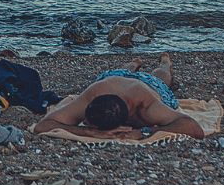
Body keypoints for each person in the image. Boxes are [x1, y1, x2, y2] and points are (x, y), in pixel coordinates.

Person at [33, 53, 205, 140]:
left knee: (161, 78)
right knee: (120, 71)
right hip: (111, 81)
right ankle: (134, 63)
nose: (84, 121)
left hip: (149, 87)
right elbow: (43, 126)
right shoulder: (94, 94)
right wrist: (88, 131)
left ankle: (165, 62)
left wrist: (145, 132)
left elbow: (194, 128)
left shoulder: (147, 107)